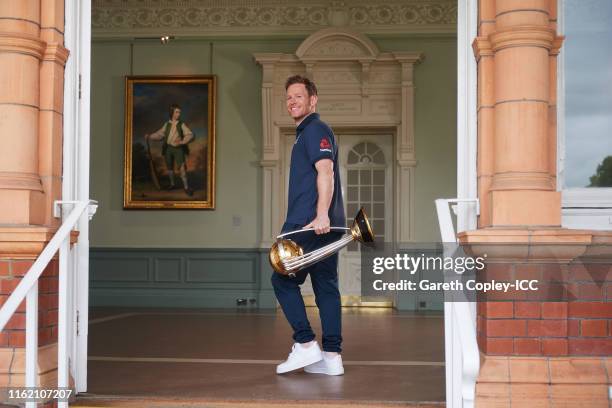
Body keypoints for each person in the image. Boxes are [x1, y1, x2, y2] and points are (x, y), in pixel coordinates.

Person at [272, 75, 346, 376]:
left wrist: (322, 215)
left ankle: (305, 344)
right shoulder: (307, 134)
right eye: (288, 97)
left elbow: (325, 171)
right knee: (326, 287)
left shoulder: (315, 129)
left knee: (282, 281)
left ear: (312, 100)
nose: (292, 102)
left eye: (298, 96)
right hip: (324, 225)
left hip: (309, 224)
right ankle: (331, 357)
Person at [145, 104, 195, 196]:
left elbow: (190, 134)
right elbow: (159, 134)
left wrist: (182, 141)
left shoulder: (181, 124)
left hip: (178, 149)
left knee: (182, 168)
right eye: (177, 112)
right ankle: (172, 184)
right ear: (172, 112)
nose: (179, 114)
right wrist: (150, 136)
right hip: (168, 149)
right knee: (169, 168)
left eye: (179, 112)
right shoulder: (166, 124)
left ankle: (186, 187)